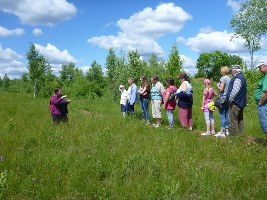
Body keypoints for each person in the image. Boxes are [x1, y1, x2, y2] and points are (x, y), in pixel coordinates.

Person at [226, 65, 247, 136]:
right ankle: (240, 135)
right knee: (240, 120)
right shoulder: (242, 77)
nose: (231, 72)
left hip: (235, 103)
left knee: (232, 121)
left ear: (235, 70)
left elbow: (235, 90)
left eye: (231, 71)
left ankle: (233, 137)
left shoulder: (238, 78)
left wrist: (230, 100)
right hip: (240, 102)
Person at [214, 66, 231, 137]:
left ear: (223, 71)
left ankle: (222, 132)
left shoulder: (223, 78)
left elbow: (221, 89)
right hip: (227, 98)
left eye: (221, 71)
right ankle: (227, 130)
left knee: (222, 115)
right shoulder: (229, 78)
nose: (220, 72)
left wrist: (217, 85)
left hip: (222, 98)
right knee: (227, 114)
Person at [254, 62, 267, 134]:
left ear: (266, 66)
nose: (259, 69)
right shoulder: (265, 76)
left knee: (265, 125)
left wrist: (260, 103)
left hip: (264, 105)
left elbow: (265, 92)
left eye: (260, 67)